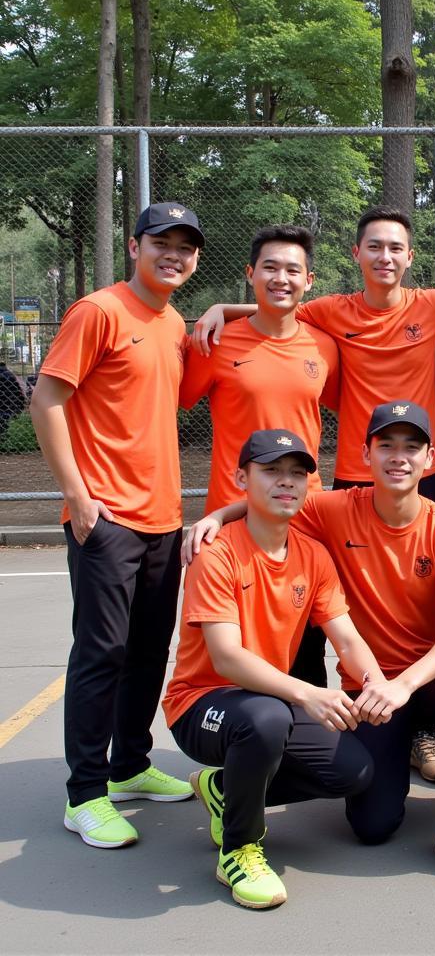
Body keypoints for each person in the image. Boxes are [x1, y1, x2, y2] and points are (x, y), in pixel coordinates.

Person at [192, 207, 435, 782]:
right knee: (326, 609)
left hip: (425, 474)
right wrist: (225, 308)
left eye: (396, 248)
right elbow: (279, 303)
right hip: (350, 480)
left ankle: (425, 728)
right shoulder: (330, 312)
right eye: (375, 247)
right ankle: (316, 722)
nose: (385, 257)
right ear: (356, 255)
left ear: (410, 258)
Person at [185, 401, 435, 890]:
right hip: (256, 697)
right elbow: (270, 502)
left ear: (430, 458)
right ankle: (232, 806)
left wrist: (395, 683)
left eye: (411, 447)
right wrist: (217, 516)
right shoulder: (320, 516)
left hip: (412, 683)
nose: (399, 457)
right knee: (371, 821)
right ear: (365, 454)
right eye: (387, 446)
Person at [31, 202, 204, 848]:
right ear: (134, 246)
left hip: (162, 517)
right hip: (106, 517)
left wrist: (223, 312)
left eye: (186, 248)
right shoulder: (99, 312)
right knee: (100, 653)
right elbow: (47, 398)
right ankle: (84, 793)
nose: (175, 255)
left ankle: (130, 764)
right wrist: (77, 494)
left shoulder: (173, 321)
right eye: (163, 242)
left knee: (147, 652)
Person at [163, 430, 379, 909]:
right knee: (267, 718)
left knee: (356, 771)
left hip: (267, 701)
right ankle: (239, 848)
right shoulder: (216, 552)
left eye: (297, 473)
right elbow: (226, 657)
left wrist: (375, 683)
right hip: (201, 704)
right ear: (241, 477)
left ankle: (224, 788)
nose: (287, 482)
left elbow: (346, 637)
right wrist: (308, 693)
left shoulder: (313, 555)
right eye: (272, 471)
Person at [179, 224, 340, 688]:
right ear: (251, 273)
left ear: (309, 281)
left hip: (303, 511)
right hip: (231, 515)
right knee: (235, 640)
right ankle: (239, 741)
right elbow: (175, 402)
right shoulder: (215, 341)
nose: (281, 278)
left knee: (305, 635)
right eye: (270, 267)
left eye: (293, 270)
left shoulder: (323, 345)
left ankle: (306, 742)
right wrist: (219, 313)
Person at [0, 361, 26, 439]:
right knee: (6, 418)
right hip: (11, 402)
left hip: (2, 401)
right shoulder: (10, 375)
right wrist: (21, 402)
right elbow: (19, 390)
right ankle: (5, 436)